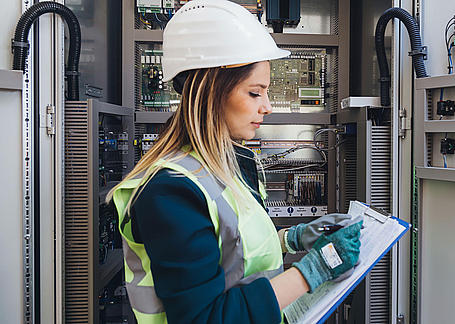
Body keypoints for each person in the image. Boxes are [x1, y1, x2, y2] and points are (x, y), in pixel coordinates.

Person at [107, 0, 362, 323]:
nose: (267, 106)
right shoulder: (169, 192)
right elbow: (206, 318)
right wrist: (313, 269)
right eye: (255, 93)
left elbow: (232, 252)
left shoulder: (223, 168)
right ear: (212, 91)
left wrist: (292, 238)